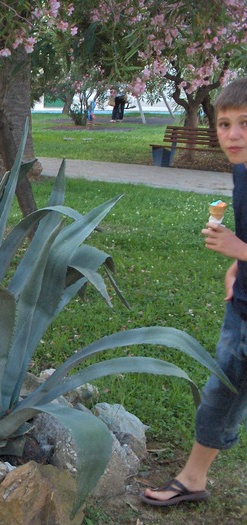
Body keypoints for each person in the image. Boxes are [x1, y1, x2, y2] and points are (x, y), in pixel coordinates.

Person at [139, 77, 247, 507]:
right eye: (224, 124)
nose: (233, 134)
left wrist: (240, 249)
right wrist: (237, 265)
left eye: (244, 123)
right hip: (241, 311)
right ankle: (193, 479)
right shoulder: (242, 170)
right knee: (220, 396)